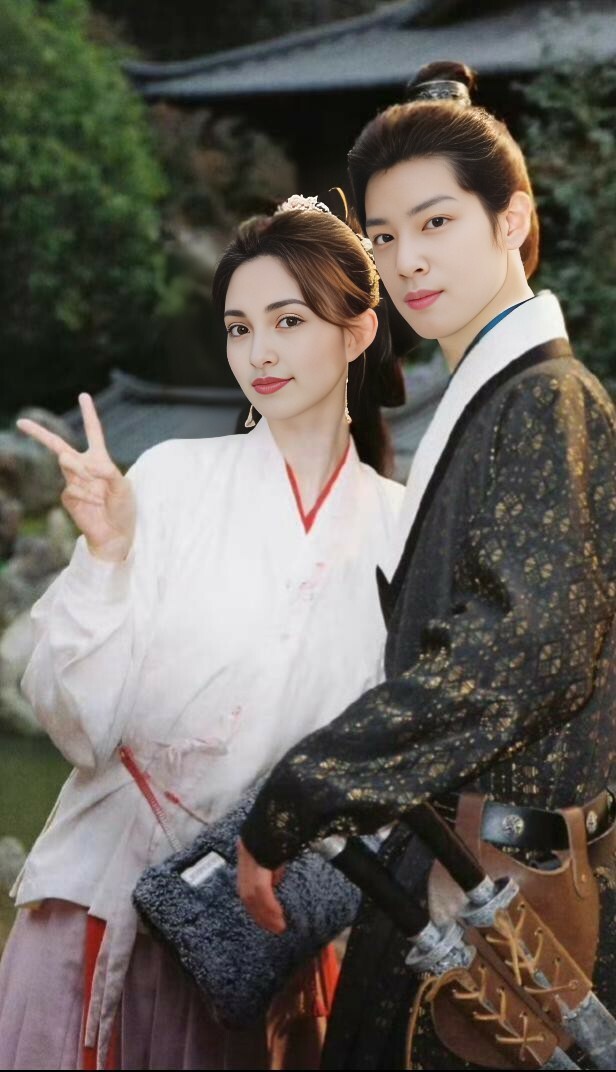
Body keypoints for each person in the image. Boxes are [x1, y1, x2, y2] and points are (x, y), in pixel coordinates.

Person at [237, 61, 616, 1070]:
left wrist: (310, 784)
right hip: (455, 871)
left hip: (509, 888)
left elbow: (526, 649)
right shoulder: (498, 397)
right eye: (382, 235)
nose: (405, 260)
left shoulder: (546, 400)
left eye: (436, 222)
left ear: (511, 219)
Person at [0, 201, 405, 1071]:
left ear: (359, 330)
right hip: (105, 903)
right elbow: (79, 732)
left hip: (261, 938)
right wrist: (107, 557)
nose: (260, 353)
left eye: (288, 321)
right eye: (239, 328)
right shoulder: (170, 481)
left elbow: (395, 756)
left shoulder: (402, 528)